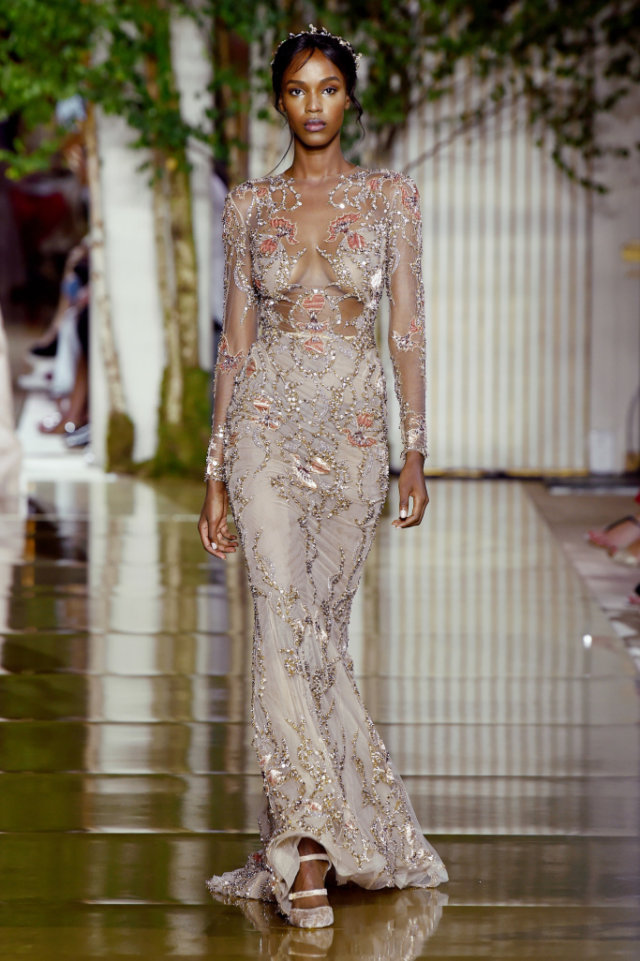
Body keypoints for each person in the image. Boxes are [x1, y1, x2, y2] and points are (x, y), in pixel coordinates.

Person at [197, 25, 448, 929]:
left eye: (328, 88)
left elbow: (406, 329)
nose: (313, 104)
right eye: (298, 89)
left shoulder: (389, 198)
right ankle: (304, 847)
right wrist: (216, 470)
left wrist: (414, 448)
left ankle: (333, 825)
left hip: (353, 435)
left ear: (349, 98)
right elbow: (235, 342)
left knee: (320, 634)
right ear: (279, 101)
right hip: (264, 426)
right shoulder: (248, 206)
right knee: (279, 617)